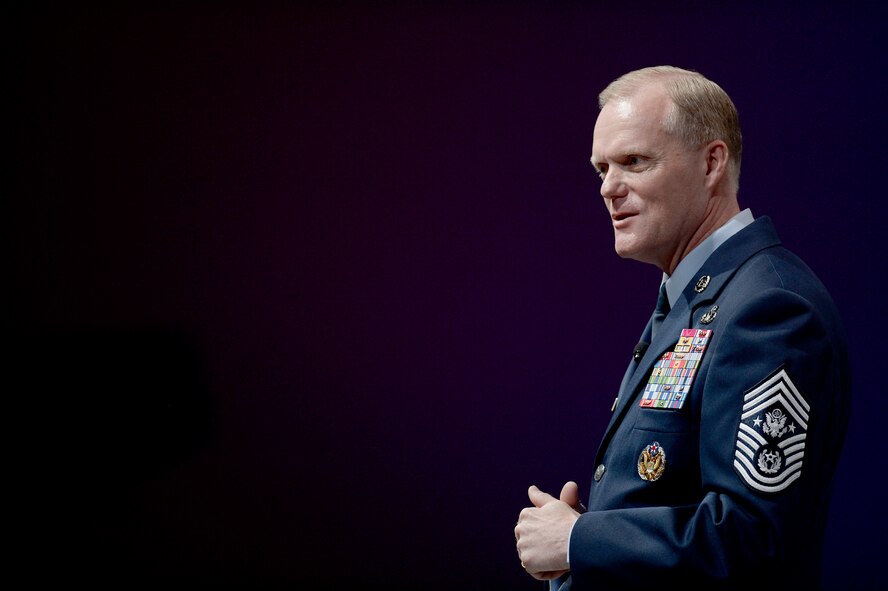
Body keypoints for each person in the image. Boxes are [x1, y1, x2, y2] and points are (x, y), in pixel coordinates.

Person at [514, 65, 851, 589]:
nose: (608, 187)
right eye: (601, 168)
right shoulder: (694, 298)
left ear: (712, 162)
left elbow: (751, 536)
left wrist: (580, 541)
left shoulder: (770, 308)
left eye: (633, 162)